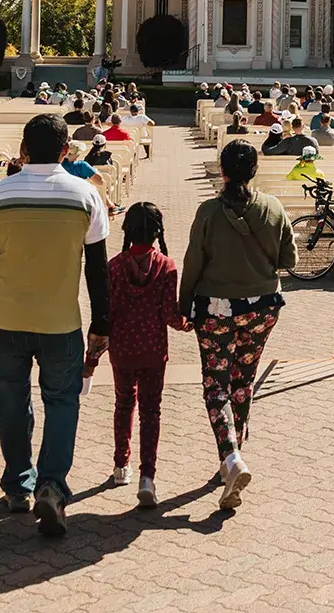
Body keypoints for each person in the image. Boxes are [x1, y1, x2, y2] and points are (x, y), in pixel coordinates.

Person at [0, 114, 111, 536]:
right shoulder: (86, 196)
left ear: (23, 149)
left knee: (12, 401)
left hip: (5, 319)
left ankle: (17, 486)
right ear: (66, 151)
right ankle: (52, 486)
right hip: (61, 321)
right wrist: (102, 323)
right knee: (62, 403)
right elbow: (98, 270)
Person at [180, 142, 295, 511]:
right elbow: (289, 258)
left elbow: (194, 262)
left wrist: (183, 306)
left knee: (216, 385)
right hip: (263, 307)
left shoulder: (210, 212)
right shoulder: (273, 207)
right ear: (254, 170)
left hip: (216, 307)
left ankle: (231, 458)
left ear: (223, 171)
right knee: (243, 381)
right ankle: (233, 456)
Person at [99, 201, 187, 509]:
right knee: (151, 411)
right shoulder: (167, 266)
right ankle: (147, 477)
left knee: (124, 404)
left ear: (127, 231)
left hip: (122, 350)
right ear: (157, 233)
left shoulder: (113, 267)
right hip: (153, 350)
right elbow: (169, 315)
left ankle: (120, 465)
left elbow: (107, 312)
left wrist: (92, 354)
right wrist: (188, 324)